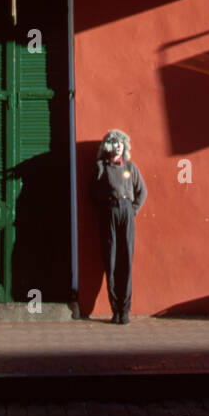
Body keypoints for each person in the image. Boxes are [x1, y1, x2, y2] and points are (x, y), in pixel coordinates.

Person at [90, 129, 147, 324]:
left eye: (121, 143)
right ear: (108, 146)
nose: (118, 146)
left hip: (127, 211)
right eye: (115, 142)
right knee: (111, 260)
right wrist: (105, 209)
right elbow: (92, 193)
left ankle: (125, 310)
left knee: (126, 260)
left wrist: (133, 210)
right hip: (109, 212)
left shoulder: (130, 167)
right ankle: (115, 310)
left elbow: (142, 191)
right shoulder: (100, 167)